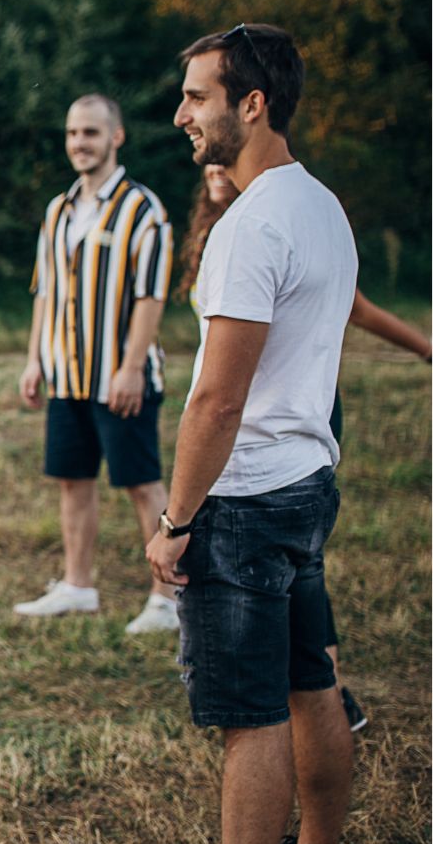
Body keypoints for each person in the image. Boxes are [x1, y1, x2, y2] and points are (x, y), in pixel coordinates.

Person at [121, 24, 358, 844]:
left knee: (249, 715)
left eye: (197, 96)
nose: (181, 114)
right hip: (306, 482)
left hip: (248, 498)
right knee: (312, 680)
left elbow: (217, 400)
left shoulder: (250, 224)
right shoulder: (321, 206)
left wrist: (176, 520)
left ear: (250, 104)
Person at [181, 162, 431, 733]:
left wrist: (427, 350)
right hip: (247, 423)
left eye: (223, 160)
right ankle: (318, 685)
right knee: (291, 569)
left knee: (292, 568)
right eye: (209, 168)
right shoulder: (224, 233)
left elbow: (358, 310)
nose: (215, 169)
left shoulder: (271, 224)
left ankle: (326, 685)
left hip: (282, 423)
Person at [15, 95, 180, 634]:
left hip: (118, 377)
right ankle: (78, 585)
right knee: (72, 480)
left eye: (90, 132)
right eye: (72, 133)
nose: (79, 143)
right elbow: (44, 292)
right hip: (66, 375)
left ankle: (168, 599)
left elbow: (151, 296)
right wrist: (35, 357)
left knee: (142, 484)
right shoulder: (58, 210)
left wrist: (132, 368)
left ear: (116, 137)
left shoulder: (142, 209)